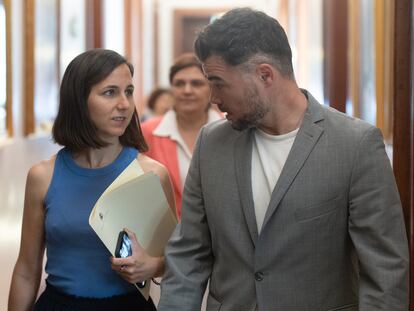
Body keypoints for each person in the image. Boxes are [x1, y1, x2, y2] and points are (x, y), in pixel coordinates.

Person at [158, 8, 409, 311]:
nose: (212, 97)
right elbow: (188, 255)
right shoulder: (211, 144)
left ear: (265, 74)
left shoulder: (356, 145)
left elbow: (384, 272)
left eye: (218, 82)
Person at [8, 49, 176, 311]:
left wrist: (152, 266)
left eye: (128, 91)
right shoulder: (43, 176)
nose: (124, 104)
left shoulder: (151, 174)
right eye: (110, 92)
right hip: (59, 305)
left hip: (128, 306)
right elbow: (26, 271)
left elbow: (176, 259)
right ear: (79, 100)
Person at [141, 53, 222, 219]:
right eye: (179, 84)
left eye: (196, 83)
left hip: (220, 238)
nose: (187, 90)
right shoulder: (147, 132)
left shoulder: (231, 131)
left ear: (211, 87)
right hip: (166, 238)